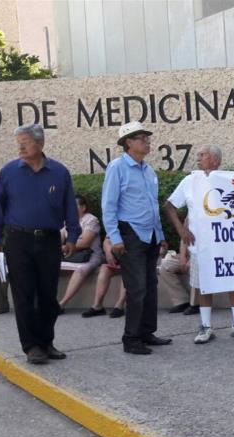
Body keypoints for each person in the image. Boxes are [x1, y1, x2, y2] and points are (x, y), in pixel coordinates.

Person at [0, 123, 80, 364]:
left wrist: (72, 237)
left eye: (25, 141)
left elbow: (70, 207)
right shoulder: (9, 172)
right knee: (24, 295)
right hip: (18, 240)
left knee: (48, 295)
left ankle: (46, 342)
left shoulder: (59, 172)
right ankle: (31, 347)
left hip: (49, 240)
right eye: (18, 142)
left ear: (40, 143)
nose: (20, 146)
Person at [164, 144, 234, 344]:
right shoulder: (190, 181)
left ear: (215, 160)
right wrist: (182, 230)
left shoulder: (230, 181)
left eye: (202, 155)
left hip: (228, 243)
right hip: (201, 245)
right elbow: (169, 206)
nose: (198, 158)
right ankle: (205, 327)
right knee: (204, 286)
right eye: (198, 155)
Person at [102, 121, 172, 354]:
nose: (148, 142)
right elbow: (109, 205)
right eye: (142, 138)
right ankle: (131, 339)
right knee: (137, 287)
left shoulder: (149, 171)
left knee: (150, 285)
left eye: (147, 138)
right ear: (129, 142)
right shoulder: (117, 167)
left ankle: (146, 332)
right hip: (129, 234)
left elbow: (153, 206)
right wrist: (115, 238)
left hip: (150, 234)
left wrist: (160, 236)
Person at [57, 194, 104, 312]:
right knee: (47, 268)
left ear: (83, 207)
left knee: (80, 271)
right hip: (71, 255)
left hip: (91, 255)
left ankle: (61, 305)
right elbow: (59, 238)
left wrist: (64, 247)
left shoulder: (91, 220)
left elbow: (85, 243)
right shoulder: (67, 221)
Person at [158, 217, 200, 314]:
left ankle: (195, 304)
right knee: (165, 266)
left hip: (201, 258)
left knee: (195, 266)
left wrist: (191, 260)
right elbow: (184, 237)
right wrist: (182, 258)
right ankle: (181, 301)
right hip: (188, 256)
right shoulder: (190, 215)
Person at [82, 237, 127, 318]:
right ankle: (97, 306)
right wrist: (108, 252)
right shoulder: (116, 224)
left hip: (132, 257)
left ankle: (119, 306)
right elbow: (106, 240)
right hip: (116, 256)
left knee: (128, 271)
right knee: (104, 269)